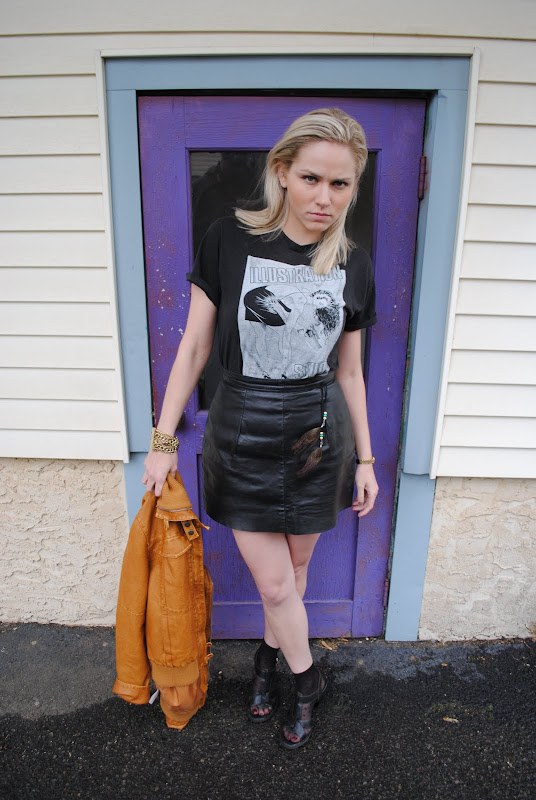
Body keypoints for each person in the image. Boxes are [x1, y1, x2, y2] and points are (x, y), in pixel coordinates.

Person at [142, 107, 379, 749]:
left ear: (353, 187)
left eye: (340, 184)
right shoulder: (229, 239)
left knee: (295, 573)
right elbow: (195, 347)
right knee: (275, 582)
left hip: (317, 437)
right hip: (242, 429)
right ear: (281, 172)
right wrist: (163, 441)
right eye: (311, 179)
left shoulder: (352, 263)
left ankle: (267, 662)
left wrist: (366, 460)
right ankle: (308, 681)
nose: (324, 197)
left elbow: (350, 372)